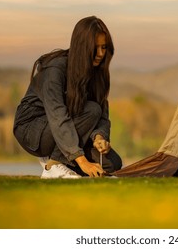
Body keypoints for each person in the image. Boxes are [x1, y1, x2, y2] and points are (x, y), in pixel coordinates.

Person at [13, 16, 122, 178]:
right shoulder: (55, 70)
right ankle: (53, 166)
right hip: (34, 130)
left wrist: (99, 137)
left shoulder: (98, 73)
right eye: (95, 48)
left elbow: (103, 115)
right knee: (92, 110)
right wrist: (82, 161)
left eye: (104, 47)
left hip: (69, 126)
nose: (100, 54)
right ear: (82, 47)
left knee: (112, 163)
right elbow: (58, 117)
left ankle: (65, 160)